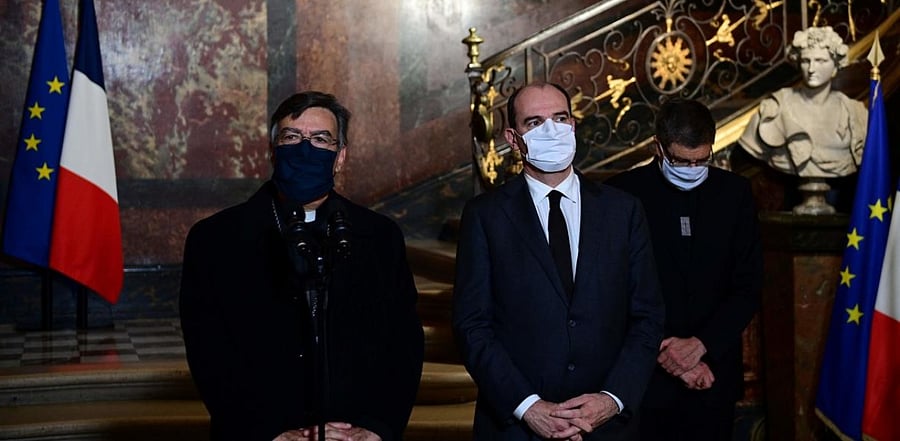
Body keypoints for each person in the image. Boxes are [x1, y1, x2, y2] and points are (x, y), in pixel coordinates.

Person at [179, 91, 424, 441]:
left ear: (340, 157)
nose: (305, 148)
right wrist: (267, 434)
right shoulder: (216, 239)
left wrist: (377, 428)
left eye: (321, 139)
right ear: (272, 151)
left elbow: (403, 344)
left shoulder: (380, 236)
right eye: (292, 137)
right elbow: (209, 352)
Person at [452, 81, 665, 441]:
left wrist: (612, 399)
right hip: (518, 428)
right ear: (513, 138)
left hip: (608, 426)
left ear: (574, 126)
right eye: (534, 122)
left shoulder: (623, 211)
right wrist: (528, 406)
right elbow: (473, 325)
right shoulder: (484, 217)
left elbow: (648, 315)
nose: (551, 130)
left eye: (560, 117)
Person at [606, 99, 763, 441]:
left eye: (701, 160)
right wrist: (670, 353)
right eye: (680, 160)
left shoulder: (735, 193)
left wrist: (703, 345)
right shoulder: (620, 194)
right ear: (658, 148)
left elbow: (748, 285)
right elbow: (611, 289)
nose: (692, 168)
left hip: (713, 371)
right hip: (642, 374)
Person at [739, 26, 867, 177]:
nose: (812, 69)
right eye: (806, 61)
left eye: (821, 61)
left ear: (835, 67)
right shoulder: (775, 108)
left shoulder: (855, 112)